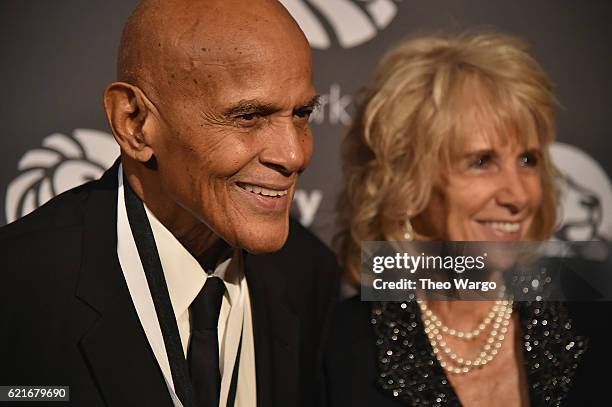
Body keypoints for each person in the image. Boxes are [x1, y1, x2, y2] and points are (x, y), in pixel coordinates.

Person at [0, 1, 339, 406]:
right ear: (134, 123)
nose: (294, 154)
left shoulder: (309, 273)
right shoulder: (17, 287)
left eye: (302, 114)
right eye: (248, 116)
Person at [325, 33, 610, 406]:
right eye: (481, 162)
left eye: (528, 160)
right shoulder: (343, 349)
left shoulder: (591, 320)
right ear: (405, 178)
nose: (519, 196)